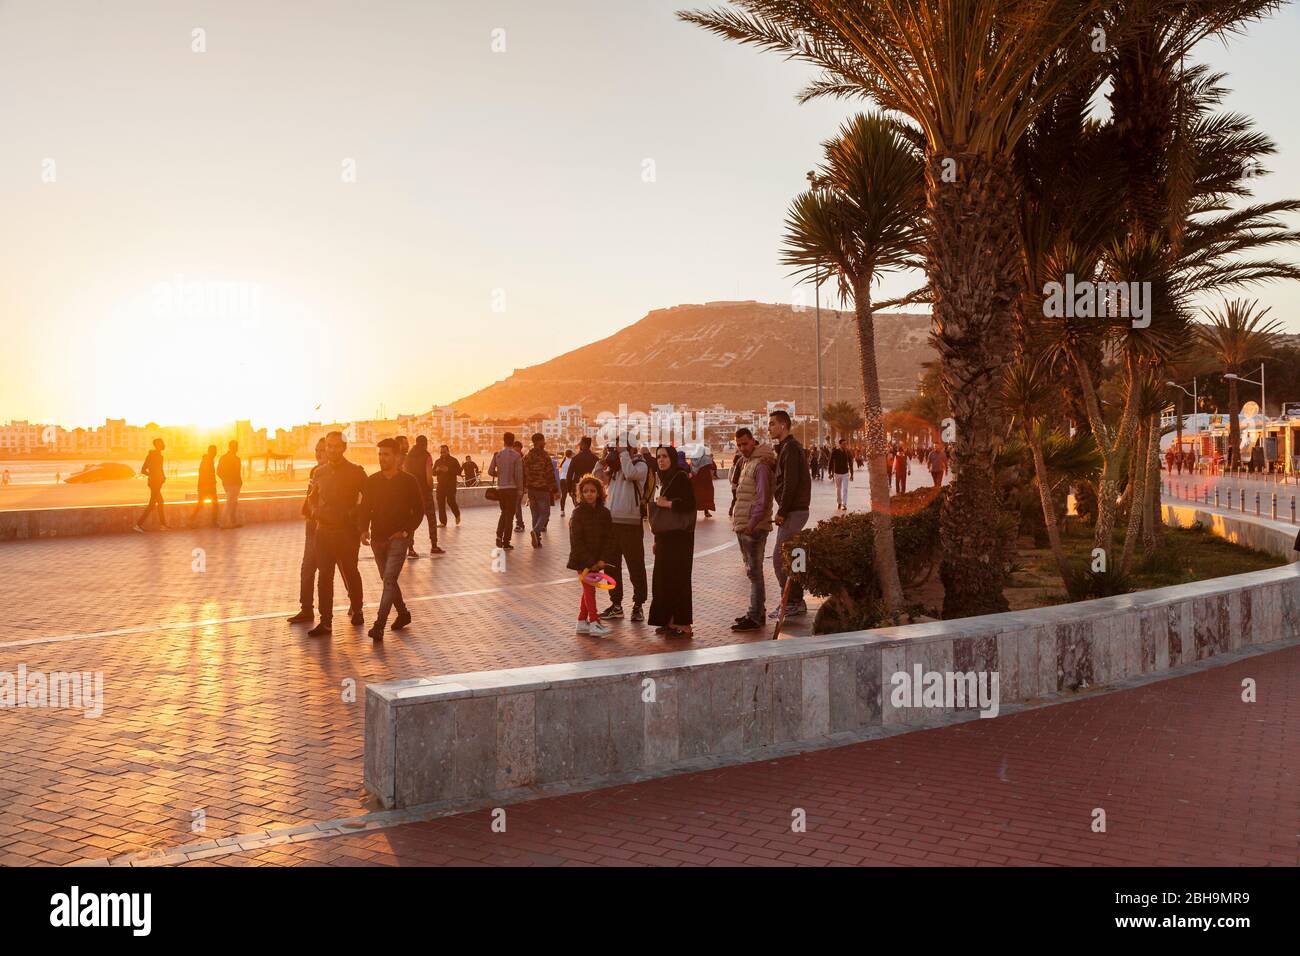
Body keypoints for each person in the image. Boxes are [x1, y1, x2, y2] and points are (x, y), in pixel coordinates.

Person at [358, 438, 425, 640]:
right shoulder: (372, 481)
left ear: (396, 457)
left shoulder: (408, 481)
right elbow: (365, 508)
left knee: (388, 581)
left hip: (398, 539)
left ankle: (379, 625)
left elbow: (419, 511)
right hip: (377, 538)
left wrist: (405, 532)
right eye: (380, 454)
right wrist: (363, 529)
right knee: (388, 580)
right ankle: (403, 614)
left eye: (386, 454)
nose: (382, 458)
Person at [306, 430, 367, 637]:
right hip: (323, 532)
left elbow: (368, 500)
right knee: (324, 577)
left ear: (344, 447)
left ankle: (358, 609)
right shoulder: (319, 472)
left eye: (335, 446)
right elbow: (312, 498)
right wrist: (316, 512)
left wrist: (360, 523)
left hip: (347, 533)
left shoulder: (356, 472)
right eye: (328, 447)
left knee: (351, 571)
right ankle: (326, 622)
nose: (331, 450)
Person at [595, 438, 648, 622]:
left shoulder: (640, 465)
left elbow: (631, 473)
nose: (618, 451)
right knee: (611, 567)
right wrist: (601, 461)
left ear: (631, 447)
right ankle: (616, 605)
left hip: (631, 524)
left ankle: (638, 605)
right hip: (612, 524)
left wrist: (624, 453)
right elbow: (599, 479)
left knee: (636, 566)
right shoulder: (615, 468)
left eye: (622, 447)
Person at [647, 445, 696, 638]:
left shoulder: (681, 477)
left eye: (665, 456)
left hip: (680, 538)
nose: (661, 460)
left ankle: (683, 624)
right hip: (666, 538)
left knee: (679, 580)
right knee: (663, 580)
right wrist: (657, 540)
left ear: (673, 459)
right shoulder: (664, 479)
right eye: (658, 457)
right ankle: (668, 620)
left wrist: (666, 503)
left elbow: (690, 504)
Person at [729, 428, 776, 632]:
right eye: (739, 445)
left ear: (753, 441)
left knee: (755, 573)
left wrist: (751, 523)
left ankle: (756, 616)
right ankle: (755, 611)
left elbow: (763, 499)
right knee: (751, 572)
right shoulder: (746, 462)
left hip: (753, 527)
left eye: (745, 444)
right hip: (744, 525)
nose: (742, 448)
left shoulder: (761, 465)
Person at [768, 409, 811, 620]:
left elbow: (790, 483)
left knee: (780, 558)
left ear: (783, 425)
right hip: (795, 510)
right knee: (790, 557)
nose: (769, 428)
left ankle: (792, 602)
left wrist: (782, 511)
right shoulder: (786, 448)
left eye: (772, 424)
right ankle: (796, 601)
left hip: (794, 511)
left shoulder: (791, 448)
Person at [567, 475, 613, 637]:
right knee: (590, 590)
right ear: (580, 493)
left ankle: (581, 621)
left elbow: (609, 538)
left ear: (599, 493)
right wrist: (591, 562)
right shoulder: (577, 513)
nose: (589, 494)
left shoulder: (605, 513)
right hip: (582, 560)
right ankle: (594, 622)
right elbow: (576, 541)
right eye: (585, 491)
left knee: (588, 589)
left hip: (597, 560)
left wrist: (602, 560)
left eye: (592, 491)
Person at [288, 438, 328, 625]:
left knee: (343, 568)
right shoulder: (315, 471)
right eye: (316, 450)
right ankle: (306, 608)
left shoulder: (338, 473)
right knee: (308, 567)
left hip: (330, 526)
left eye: (322, 450)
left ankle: (356, 605)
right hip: (313, 525)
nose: (318, 454)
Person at [403, 435, 444, 556]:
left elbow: (405, 473)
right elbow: (428, 477)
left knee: (411, 520)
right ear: (425, 444)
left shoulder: (408, 457)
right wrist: (430, 488)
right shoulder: (427, 456)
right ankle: (434, 545)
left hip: (411, 492)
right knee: (431, 518)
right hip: (424, 492)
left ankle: (410, 548)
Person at [523, 433, 560, 547]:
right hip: (542, 489)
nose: (545, 443)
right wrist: (555, 490)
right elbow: (550, 474)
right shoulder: (545, 456)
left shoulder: (527, 456)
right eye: (543, 440)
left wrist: (525, 486)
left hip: (531, 489)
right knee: (545, 513)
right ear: (539, 441)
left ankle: (537, 540)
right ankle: (536, 531)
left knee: (535, 513)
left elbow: (523, 473)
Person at [488, 431, 523, 549]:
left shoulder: (497, 455)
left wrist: (501, 474)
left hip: (501, 489)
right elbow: (519, 475)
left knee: (504, 512)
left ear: (504, 441)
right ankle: (506, 542)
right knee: (510, 515)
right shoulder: (516, 456)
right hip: (512, 489)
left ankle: (499, 535)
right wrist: (520, 490)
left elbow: (490, 471)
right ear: (513, 442)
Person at [133, 438, 169, 531]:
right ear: (158, 445)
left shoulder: (160, 456)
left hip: (157, 482)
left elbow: (160, 469)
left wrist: (163, 477)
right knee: (156, 503)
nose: (163, 444)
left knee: (156, 503)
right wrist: (153, 475)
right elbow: (143, 470)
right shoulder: (152, 455)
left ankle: (162, 525)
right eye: (162, 443)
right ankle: (138, 525)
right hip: (154, 483)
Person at [187, 444, 219, 528]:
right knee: (208, 504)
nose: (215, 453)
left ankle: (192, 520)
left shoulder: (209, 460)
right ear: (210, 451)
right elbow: (205, 474)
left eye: (216, 451)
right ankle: (191, 520)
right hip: (206, 486)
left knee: (206, 504)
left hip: (207, 485)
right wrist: (210, 484)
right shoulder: (207, 460)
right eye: (214, 451)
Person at [433, 444, 462, 525]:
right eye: (441, 452)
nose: (442, 454)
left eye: (444, 452)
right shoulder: (438, 461)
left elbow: (459, 471)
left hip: (451, 485)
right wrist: (437, 470)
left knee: (451, 501)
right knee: (440, 503)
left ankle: (457, 514)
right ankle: (443, 522)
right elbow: (433, 473)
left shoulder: (454, 460)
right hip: (440, 486)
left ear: (448, 451)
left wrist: (448, 470)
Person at [218, 440, 243, 529]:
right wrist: (238, 482)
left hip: (228, 484)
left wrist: (225, 480)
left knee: (233, 503)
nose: (237, 448)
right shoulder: (236, 459)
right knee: (229, 503)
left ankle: (233, 522)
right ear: (235, 447)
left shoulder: (223, 458)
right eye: (236, 446)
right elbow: (237, 473)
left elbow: (218, 471)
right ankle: (223, 523)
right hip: (234, 484)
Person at [568, 436, 598, 506]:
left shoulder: (575, 458)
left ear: (583, 444)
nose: (579, 445)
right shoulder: (595, 458)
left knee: (578, 508)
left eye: (580, 443)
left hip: (578, 486)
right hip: (592, 487)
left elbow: (569, 474)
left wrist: (569, 489)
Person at [691, 451, 717, 517]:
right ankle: (706, 511)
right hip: (705, 482)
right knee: (706, 497)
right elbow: (714, 467)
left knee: (697, 497)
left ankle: (695, 513)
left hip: (696, 481)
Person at [831, 437, 853, 510]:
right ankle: (839, 502)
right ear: (840, 444)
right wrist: (830, 473)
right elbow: (831, 462)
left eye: (846, 444)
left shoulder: (848, 452)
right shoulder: (835, 452)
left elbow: (850, 463)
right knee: (838, 489)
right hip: (837, 473)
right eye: (844, 444)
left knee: (845, 489)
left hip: (845, 473)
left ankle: (844, 504)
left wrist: (852, 474)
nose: (845, 445)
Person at [512, 439, 527, 532]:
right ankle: (519, 523)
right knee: (515, 505)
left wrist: (525, 487)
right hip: (512, 486)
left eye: (518, 449)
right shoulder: (512, 459)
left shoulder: (523, 459)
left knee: (517, 505)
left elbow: (526, 474)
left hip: (520, 486)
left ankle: (519, 523)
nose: (516, 451)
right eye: (515, 449)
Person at [558, 450, 574, 515]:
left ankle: (562, 511)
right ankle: (576, 509)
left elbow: (560, 472)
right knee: (573, 495)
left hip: (562, 479)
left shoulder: (563, 462)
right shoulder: (572, 461)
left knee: (563, 496)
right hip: (569, 480)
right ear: (571, 454)